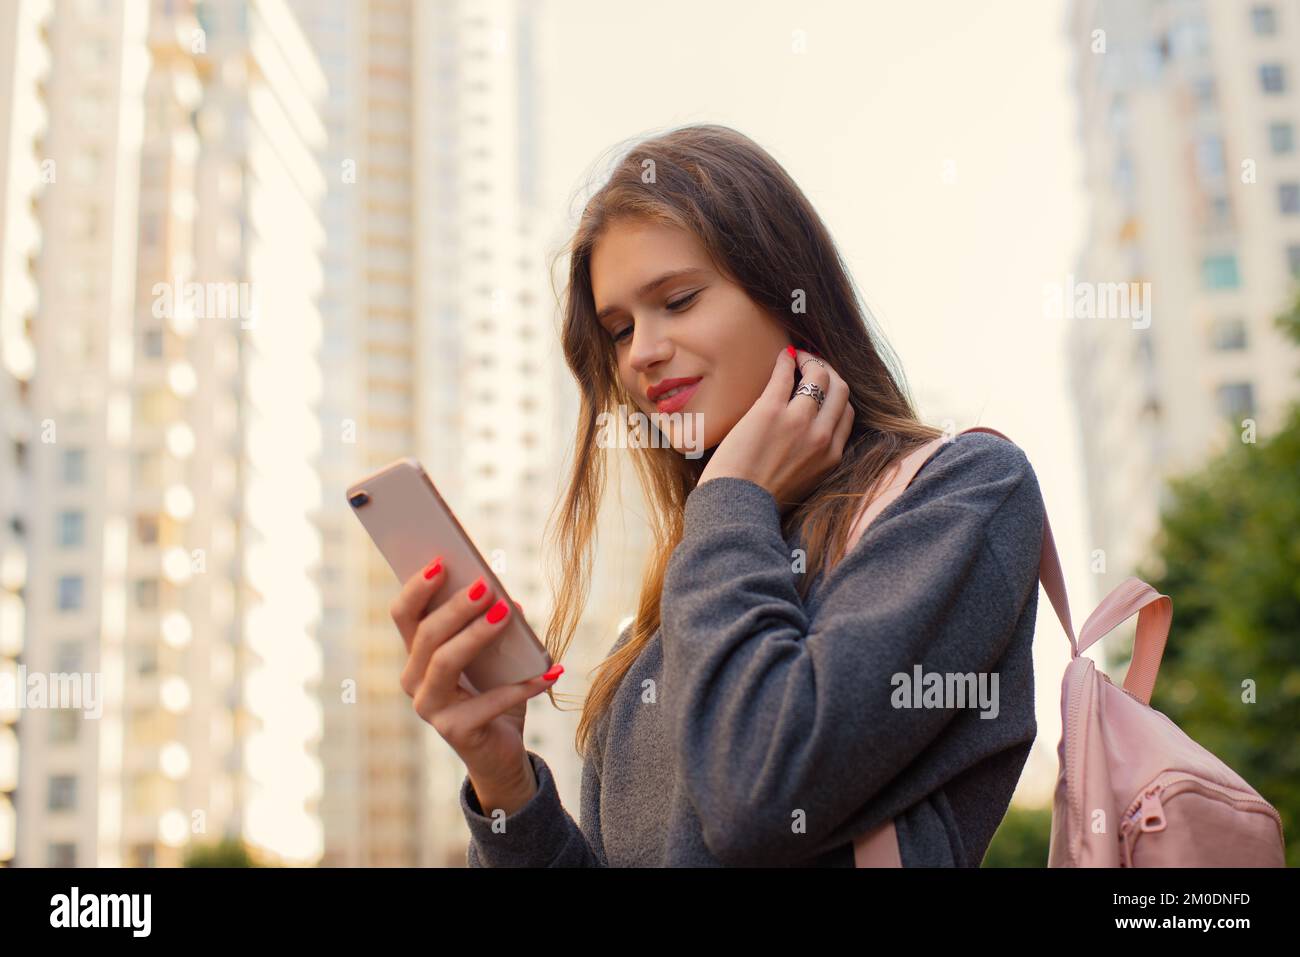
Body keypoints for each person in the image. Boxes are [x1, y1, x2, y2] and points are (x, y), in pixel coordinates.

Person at [388, 124, 1044, 866]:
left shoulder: (962, 495)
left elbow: (762, 794)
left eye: (679, 299)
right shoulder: (673, 615)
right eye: (618, 328)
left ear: (789, 290)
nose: (641, 352)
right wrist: (502, 781)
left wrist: (730, 494)